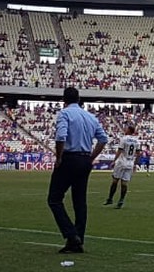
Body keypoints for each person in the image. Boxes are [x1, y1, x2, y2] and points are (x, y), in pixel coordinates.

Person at [47, 87, 108, 254]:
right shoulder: (90, 117)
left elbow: (61, 136)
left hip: (69, 158)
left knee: (54, 199)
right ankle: (78, 240)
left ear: (64, 100)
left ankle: (71, 235)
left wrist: (59, 157)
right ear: (79, 99)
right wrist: (91, 157)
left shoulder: (65, 114)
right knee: (80, 201)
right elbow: (103, 139)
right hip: (84, 159)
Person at [104, 125, 140, 209]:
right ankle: (121, 200)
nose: (125, 130)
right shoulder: (137, 141)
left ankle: (110, 199)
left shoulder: (124, 139)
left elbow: (120, 150)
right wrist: (135, 164)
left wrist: (114, 161)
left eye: (126, 129)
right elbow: (138, 154)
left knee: (115, 180)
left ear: (129, 130)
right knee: (124, 183)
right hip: (130, 163)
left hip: (121, 162)